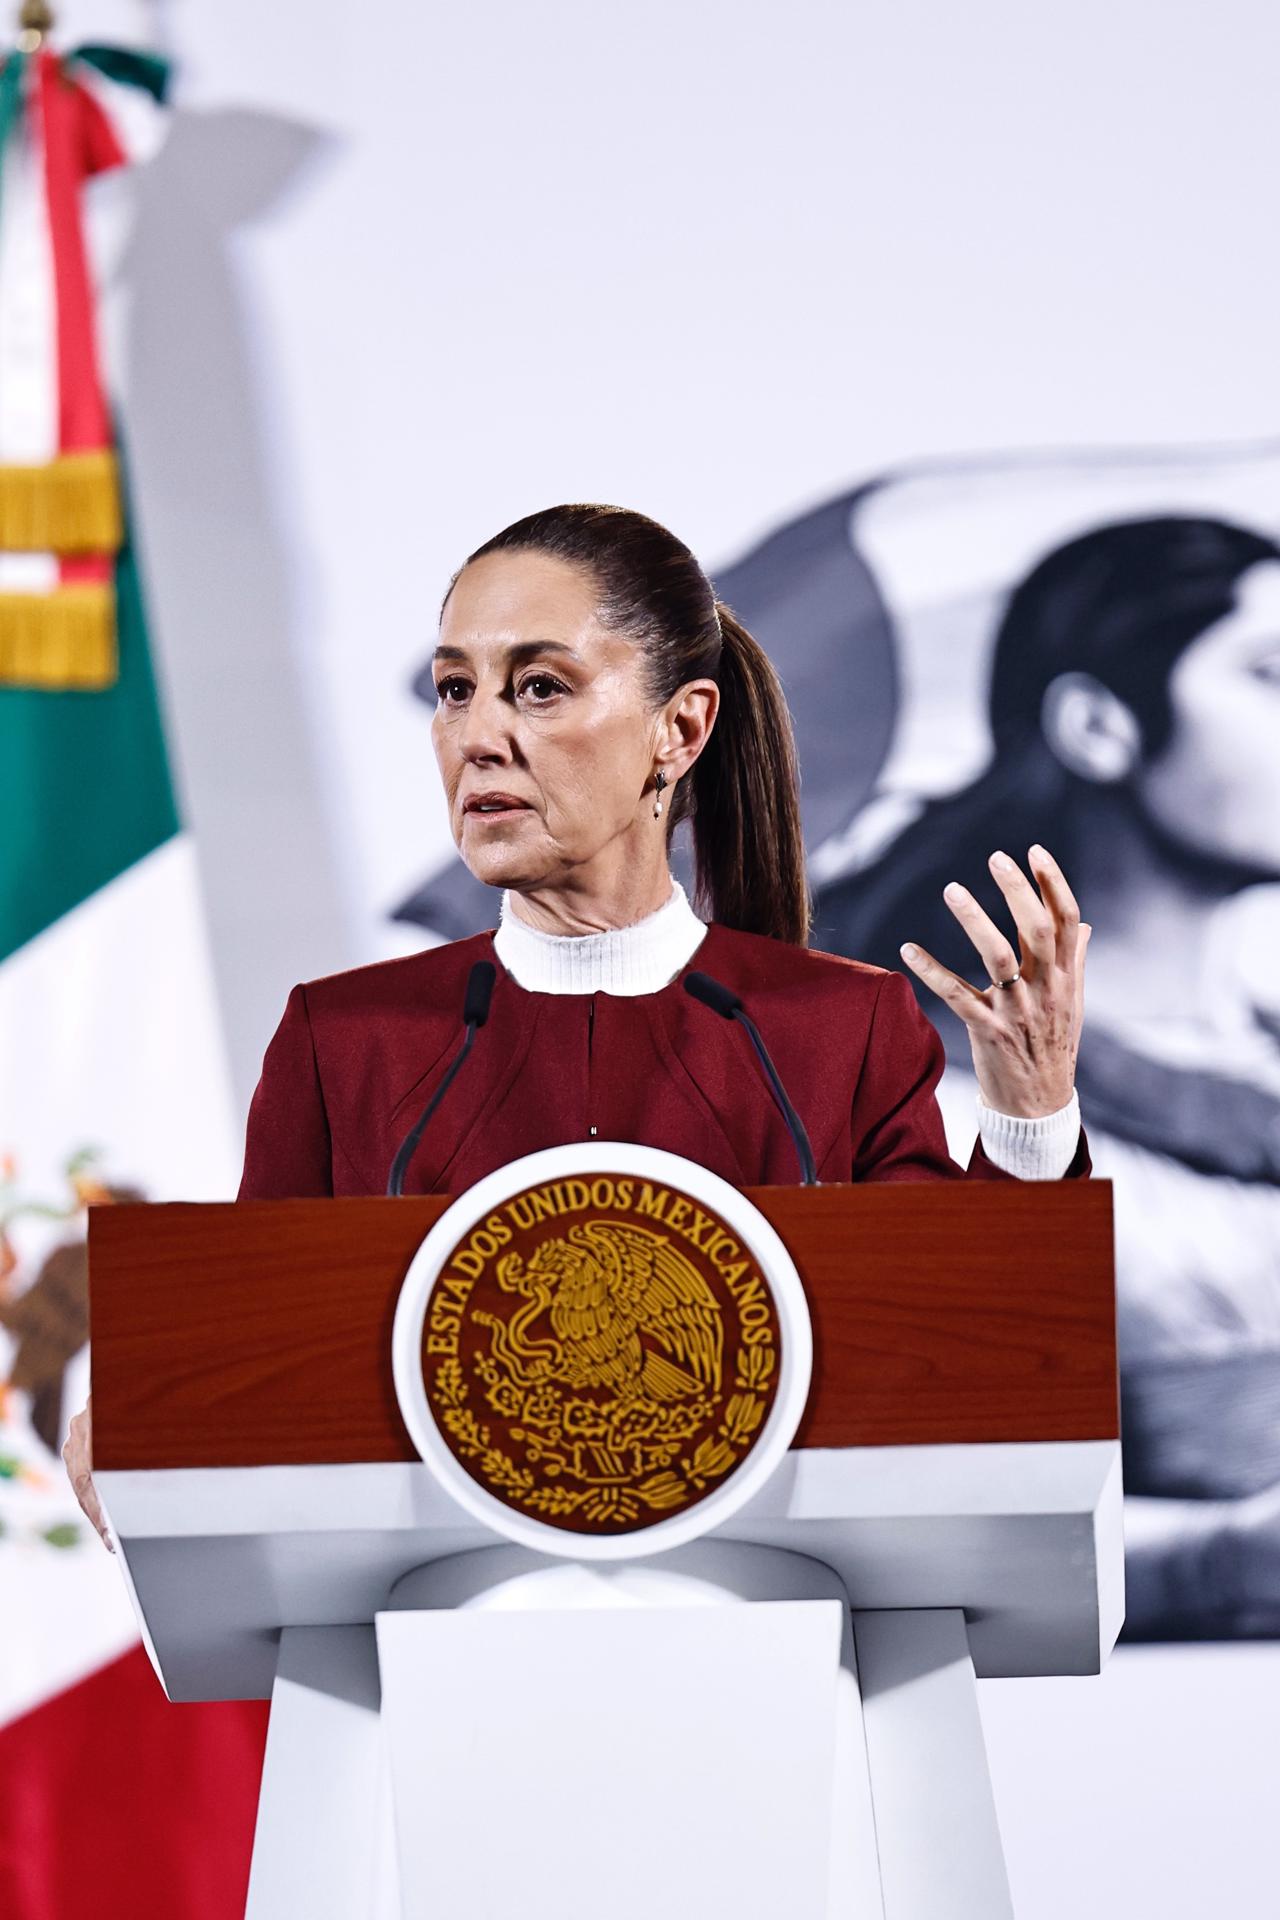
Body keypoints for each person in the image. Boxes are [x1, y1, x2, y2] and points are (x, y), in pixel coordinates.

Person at [64, 501, 1090, 1541]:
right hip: (439, 1669)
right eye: (454, 691)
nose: (477, 737)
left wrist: (1028, 1118)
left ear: (678, 729)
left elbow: (958, 1366)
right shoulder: (348, 1041)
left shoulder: (835, 1030)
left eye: (538, 688)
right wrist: (153, 1406)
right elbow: (261, 1341)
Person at [817, 512, 1280, 1638]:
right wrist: (1209, 1562)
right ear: (1096, 725)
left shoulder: (1255, 1051)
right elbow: (886, 1504)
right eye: (1267, 674)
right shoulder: (923, 1094)